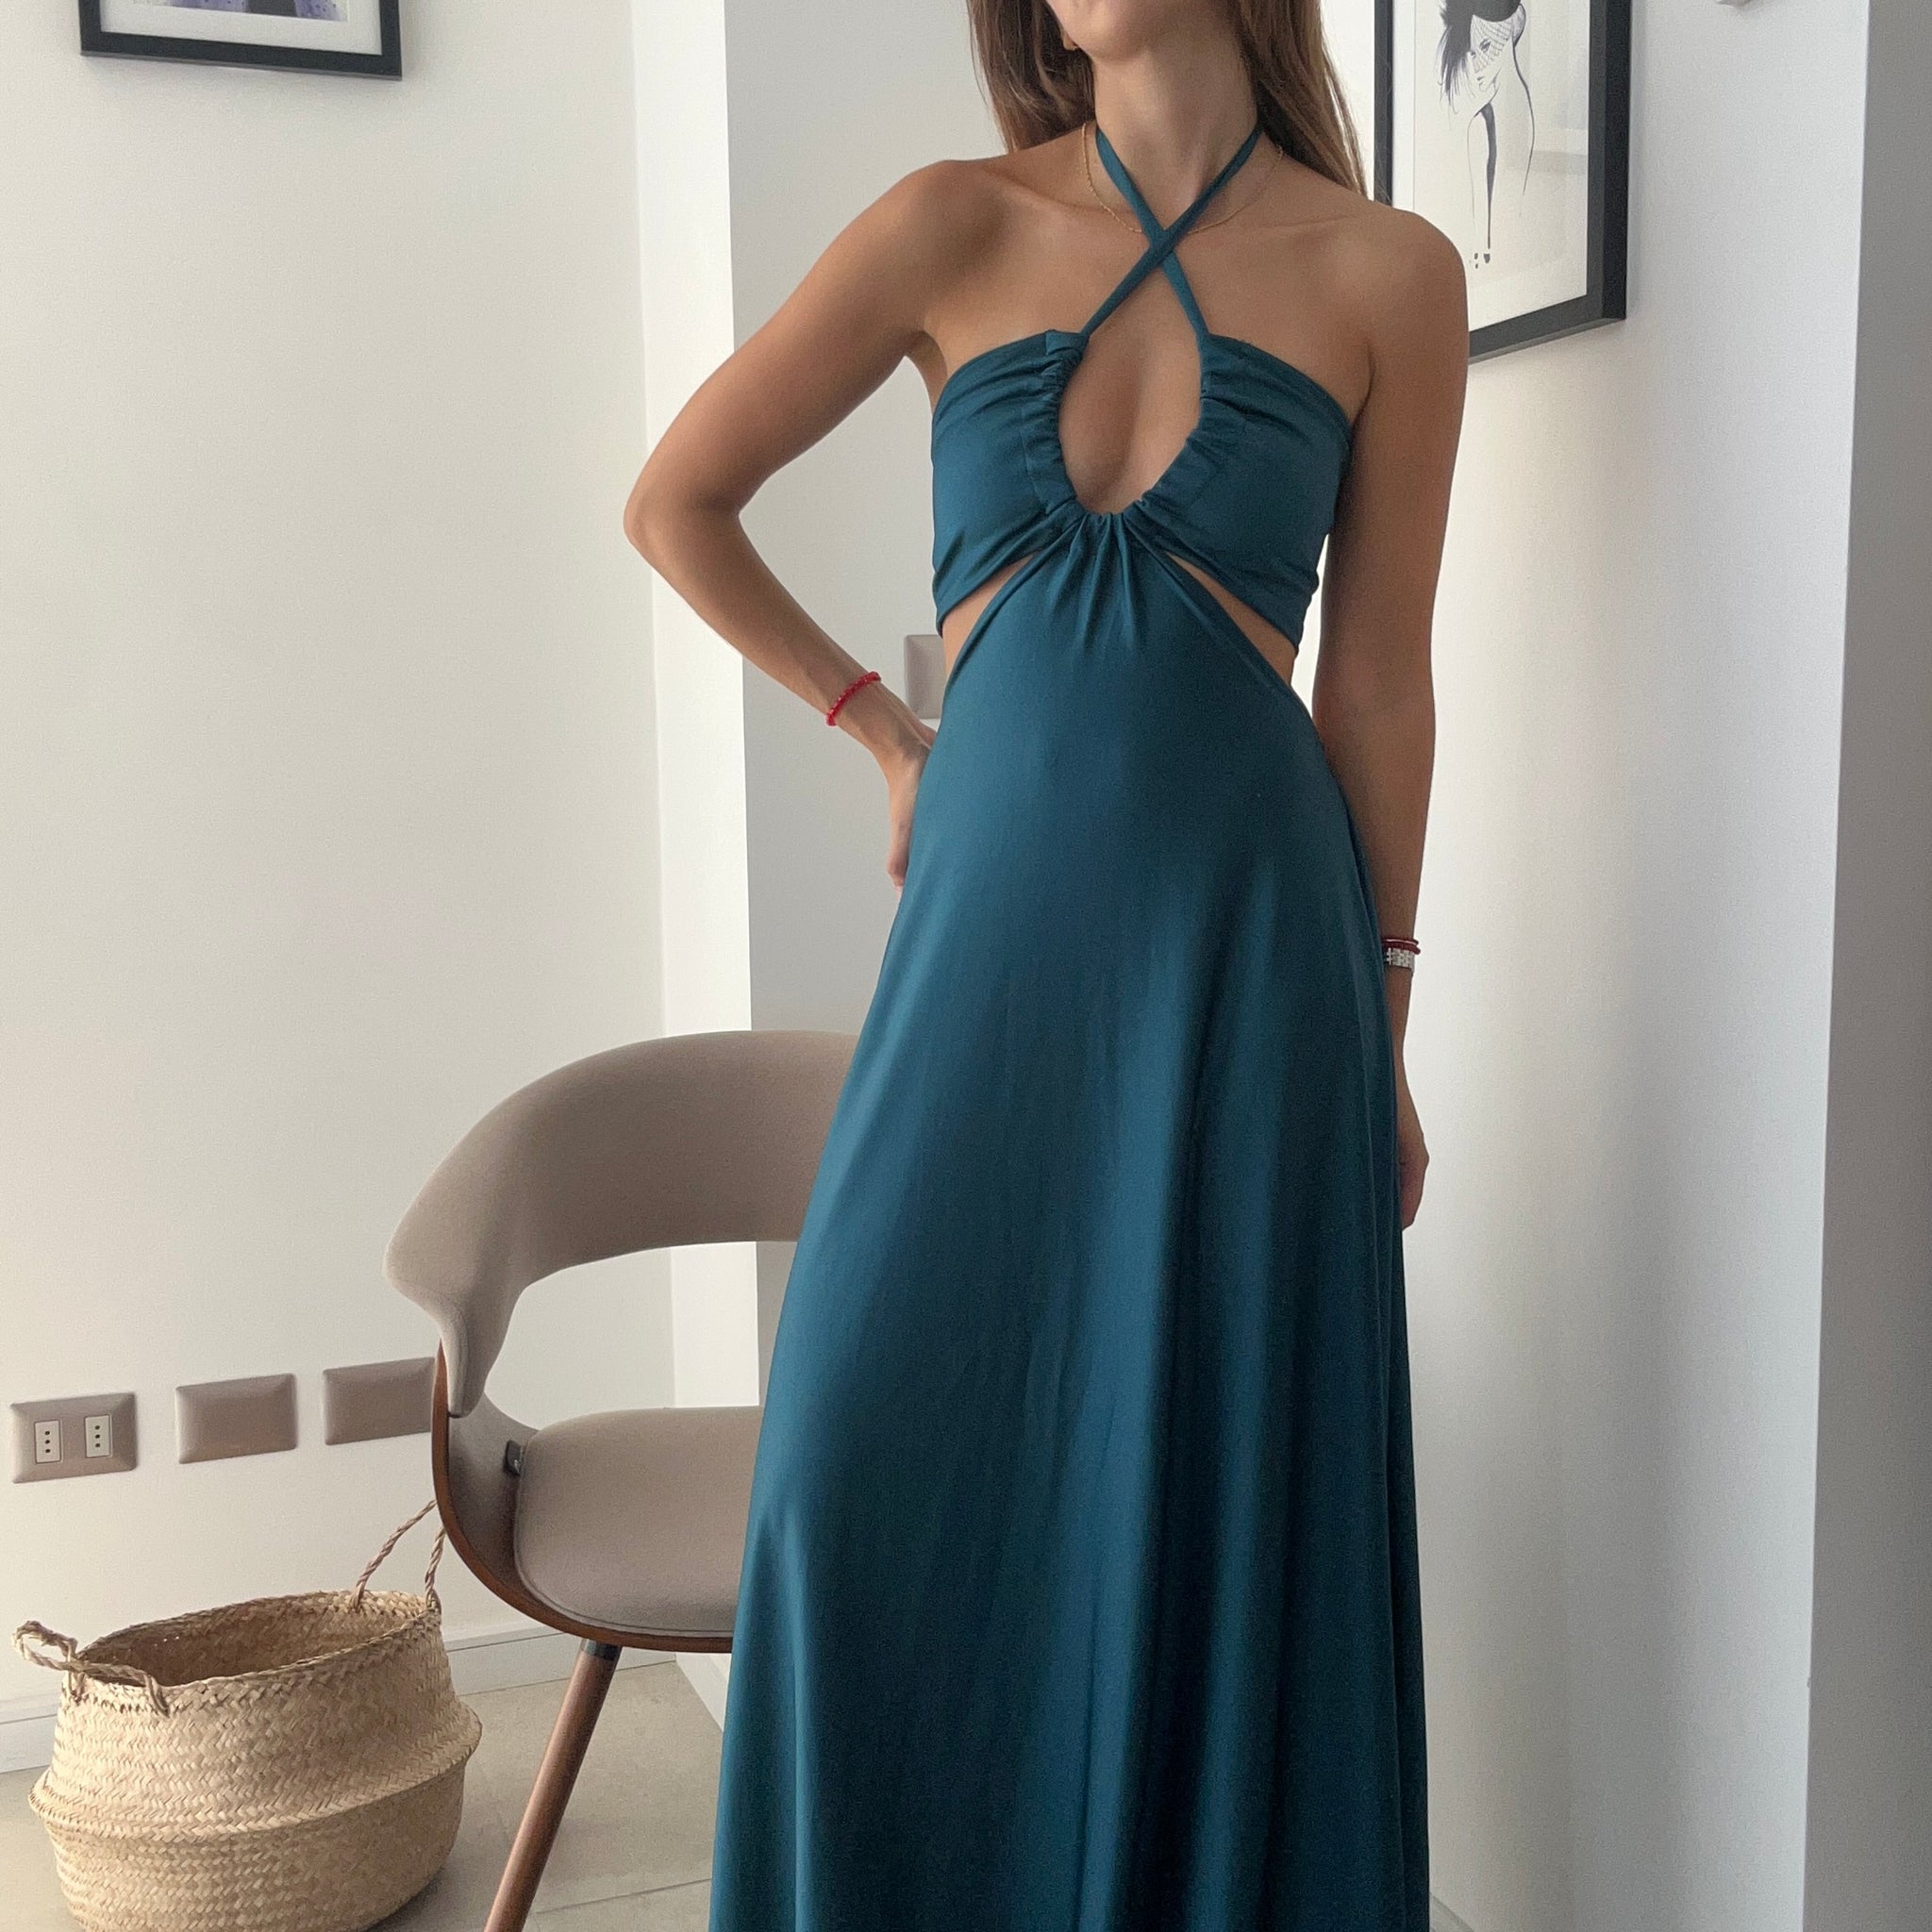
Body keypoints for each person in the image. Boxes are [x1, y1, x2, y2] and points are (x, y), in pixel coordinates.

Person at [625, 0, 1466, 1923]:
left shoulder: (1389, 273)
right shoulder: (953, 222)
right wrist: (877, 725)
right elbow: (677, 498)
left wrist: (1386, 1026)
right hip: (987, 963)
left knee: (1208, 1504)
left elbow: (1379, 687)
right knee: (843, 1472)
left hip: (1253, 974)